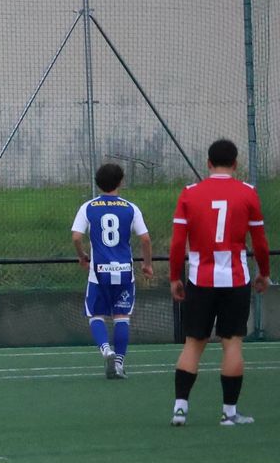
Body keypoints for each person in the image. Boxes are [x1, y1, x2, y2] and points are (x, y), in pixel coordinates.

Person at [169, 138, 270, 427]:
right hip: (236, 278)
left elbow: (178, 243)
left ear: (208, 164)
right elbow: (260, 242)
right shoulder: (248, 193)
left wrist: (175, 276)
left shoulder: (189, 193)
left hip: (200, 278)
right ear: (236, 164)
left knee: (193, 343)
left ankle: (180, 408)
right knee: (233, 343)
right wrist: (264, 271)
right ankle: (228, 413)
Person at [71, 162, 153, 380]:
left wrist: (82, 257)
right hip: (125, 271)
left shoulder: (88, 207)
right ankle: (118, 364)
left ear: (98, 183)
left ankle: (106, 350)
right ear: (120, 182)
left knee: (95, 314)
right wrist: (147, 264)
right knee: (121, 317)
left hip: (98, 272)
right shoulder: (130, 208)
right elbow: (145, 238)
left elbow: (76, 237)